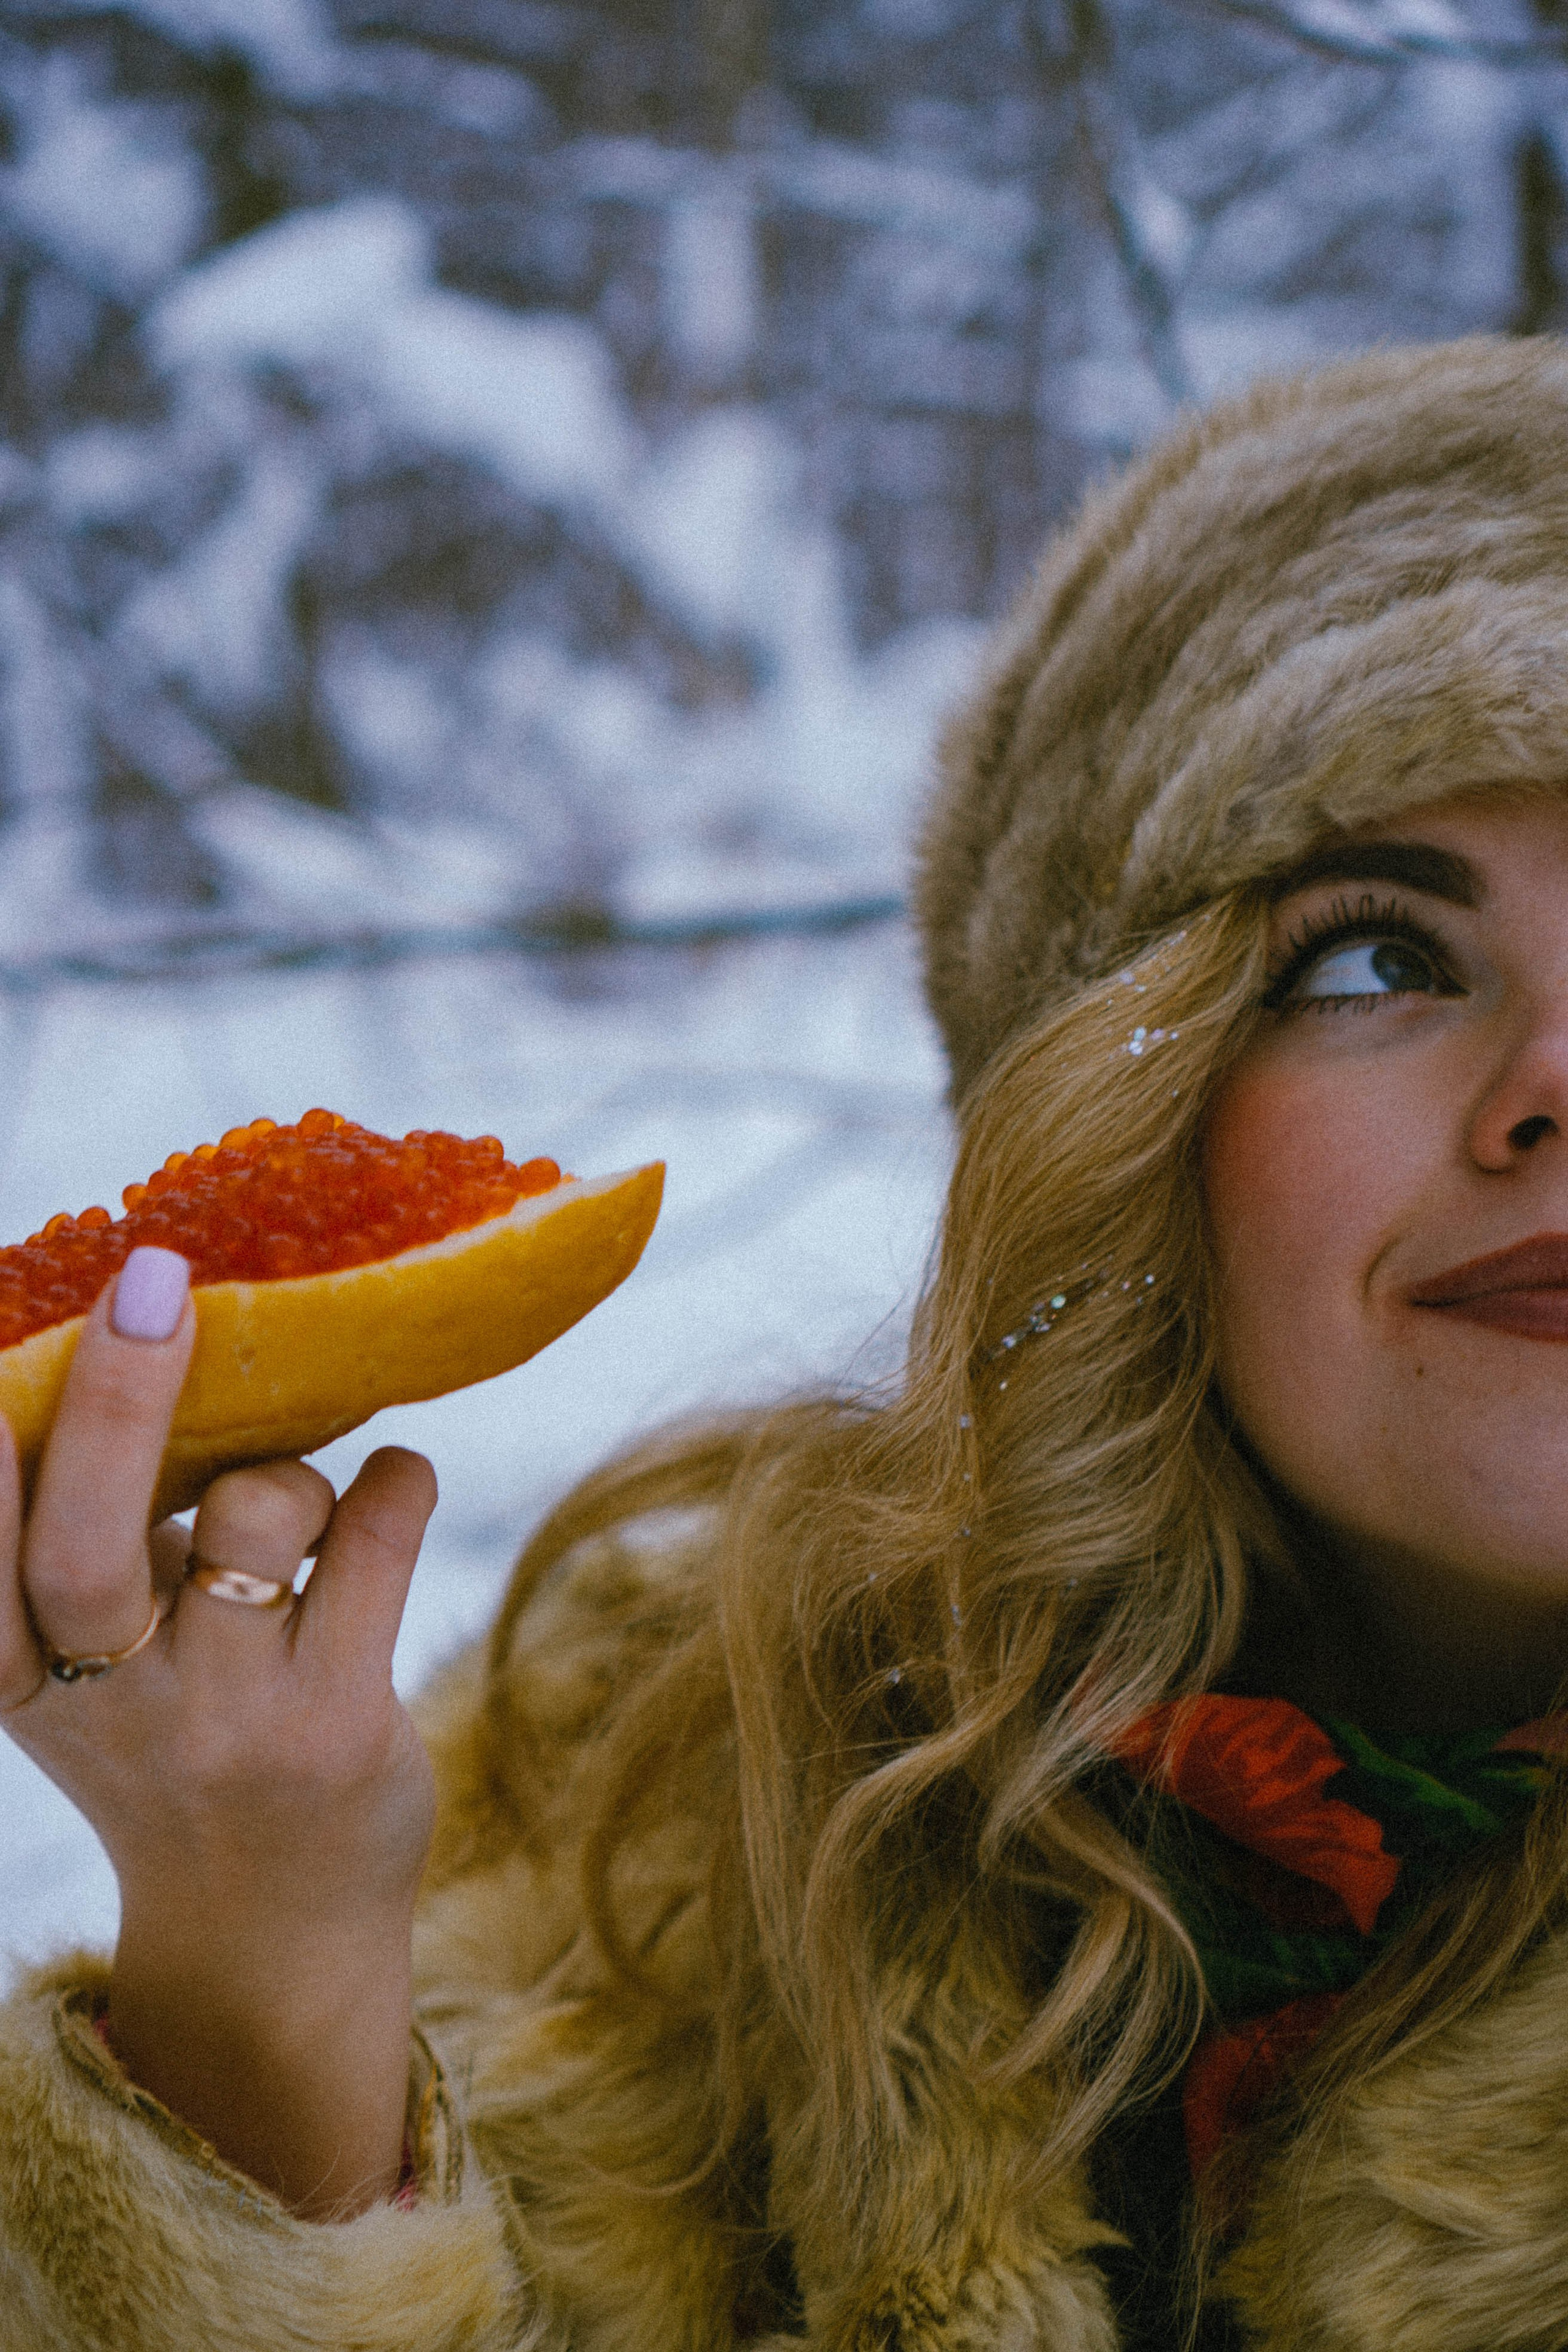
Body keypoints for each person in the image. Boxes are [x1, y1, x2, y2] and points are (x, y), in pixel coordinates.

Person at [3, 334, 1568, 2352]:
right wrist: (261, 1982)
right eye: (1376, 956)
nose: (1555, 1083)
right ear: (1116, 1119)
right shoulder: (636, 1838)